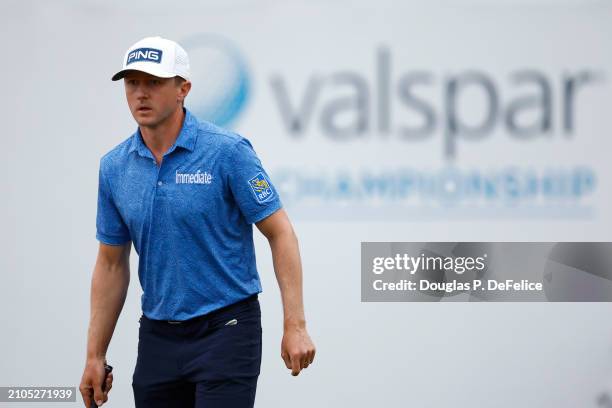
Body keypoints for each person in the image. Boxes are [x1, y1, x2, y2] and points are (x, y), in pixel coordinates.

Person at [78, 36, 316, 408]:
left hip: (227, 329)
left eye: (154, 83)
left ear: (182, 89)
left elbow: (281, 232)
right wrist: (95, 355)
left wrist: (295, 325)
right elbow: (110, 263)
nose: (141, 94)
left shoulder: (227, 151)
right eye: (132, 83)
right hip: (158, 335)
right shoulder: (114, 167)